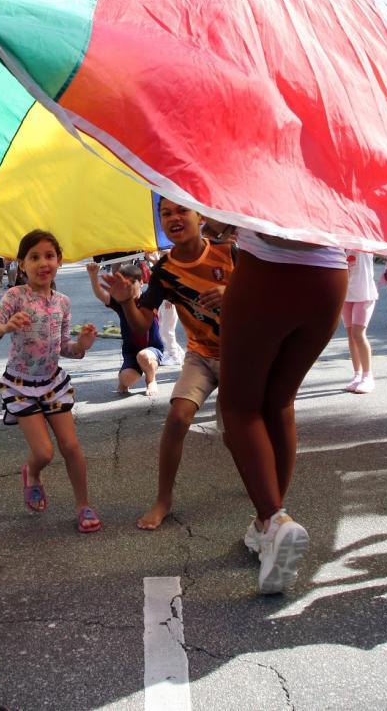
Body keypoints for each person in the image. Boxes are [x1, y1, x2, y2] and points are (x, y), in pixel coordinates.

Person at [217, 229, 346, 594]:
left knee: (239, 407)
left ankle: (274, 520)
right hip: (330, 277)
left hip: (267, 269)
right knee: (280, 401)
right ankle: (268, 521)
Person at [104, 199, 233, 531]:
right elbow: (140, 322)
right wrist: (126, 301)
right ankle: (163, 500)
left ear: (200, 216)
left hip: (240, 355)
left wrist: (231, 291)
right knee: (177, 417)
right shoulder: (164, 269)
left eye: (181, 210)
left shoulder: (229, 252)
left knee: (237, 435)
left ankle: (268, 497)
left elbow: (265, 294)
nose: (174, 218)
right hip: (200, 356)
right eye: (166, 213)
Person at [0, 230, 101, 532]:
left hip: (52, 383)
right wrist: (5, 327)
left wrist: (83, 345)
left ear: (59, 261)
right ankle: (32, 474)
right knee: (45, 452)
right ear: (22, 264)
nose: (42, 262)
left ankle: (83, 505)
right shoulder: (15, 296)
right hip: (20, 385)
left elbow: (65, 348)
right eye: (34, 257)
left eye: (49, 255)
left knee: (71, 446)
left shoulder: (62, 301)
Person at [87, 261, 164, 396]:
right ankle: (123, 378)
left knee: (144, 356)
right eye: (122, 285)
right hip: (131, 352)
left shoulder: (149, 298)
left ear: (141, 282)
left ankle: (151, 380)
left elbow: (163, 287)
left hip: (152, 349)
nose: (126, 288)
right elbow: (101, 294)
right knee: (127, 378)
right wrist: (93, 276)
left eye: (130, 284)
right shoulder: (120, 302)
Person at [342, 251, 379, 393]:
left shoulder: (364, 242)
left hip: (364, 295)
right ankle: (357, 375)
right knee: (351, 335)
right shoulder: (340, 243)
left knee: (358, 334)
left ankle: (367, 376)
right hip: (346, 295)